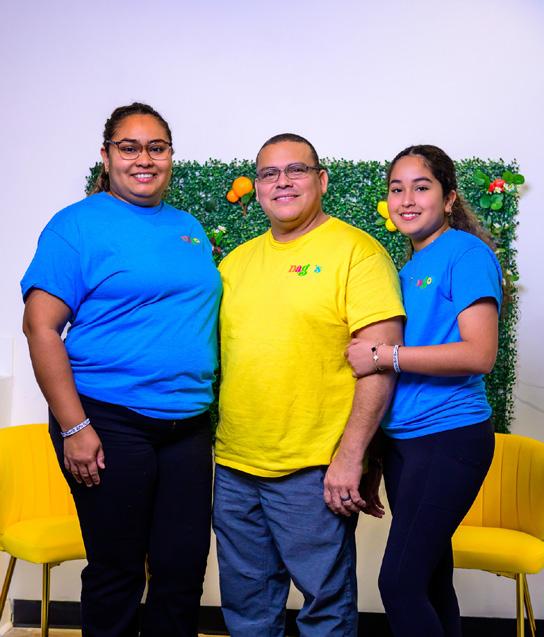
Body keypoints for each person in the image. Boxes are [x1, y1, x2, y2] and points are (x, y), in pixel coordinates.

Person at [21, 102, 222, 637]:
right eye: (129, 148)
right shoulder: (76, 226)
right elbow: (40, 328)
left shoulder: (187, 227)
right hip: (108, 419)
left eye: (157, 148)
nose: (144, 159)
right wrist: (75, 427)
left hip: (187, 424)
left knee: (182, 570)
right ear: (106, 156)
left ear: (171, 156)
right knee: (118, 570)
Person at [213, 133, 405, 637]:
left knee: (325, 610)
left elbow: (380, 362)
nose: (282, 182)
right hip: (235, 466)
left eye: (295, 170)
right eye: (269, 174)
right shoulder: (234, 264)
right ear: (257, 187)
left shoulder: (358, 253)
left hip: (315, 468)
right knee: (247, 608)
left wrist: (352, 456)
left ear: (321, 180)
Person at [346, 144, 502, 637]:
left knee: (398, 582)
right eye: (397, 189)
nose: (407, 199)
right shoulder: (405, 269)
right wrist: (374, 454)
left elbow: (479, 353)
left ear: (449, 197)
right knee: (431, 580)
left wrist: (383, 355)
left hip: (449, 437)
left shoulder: (466, 254)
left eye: (421, 187)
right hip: (404, 445)